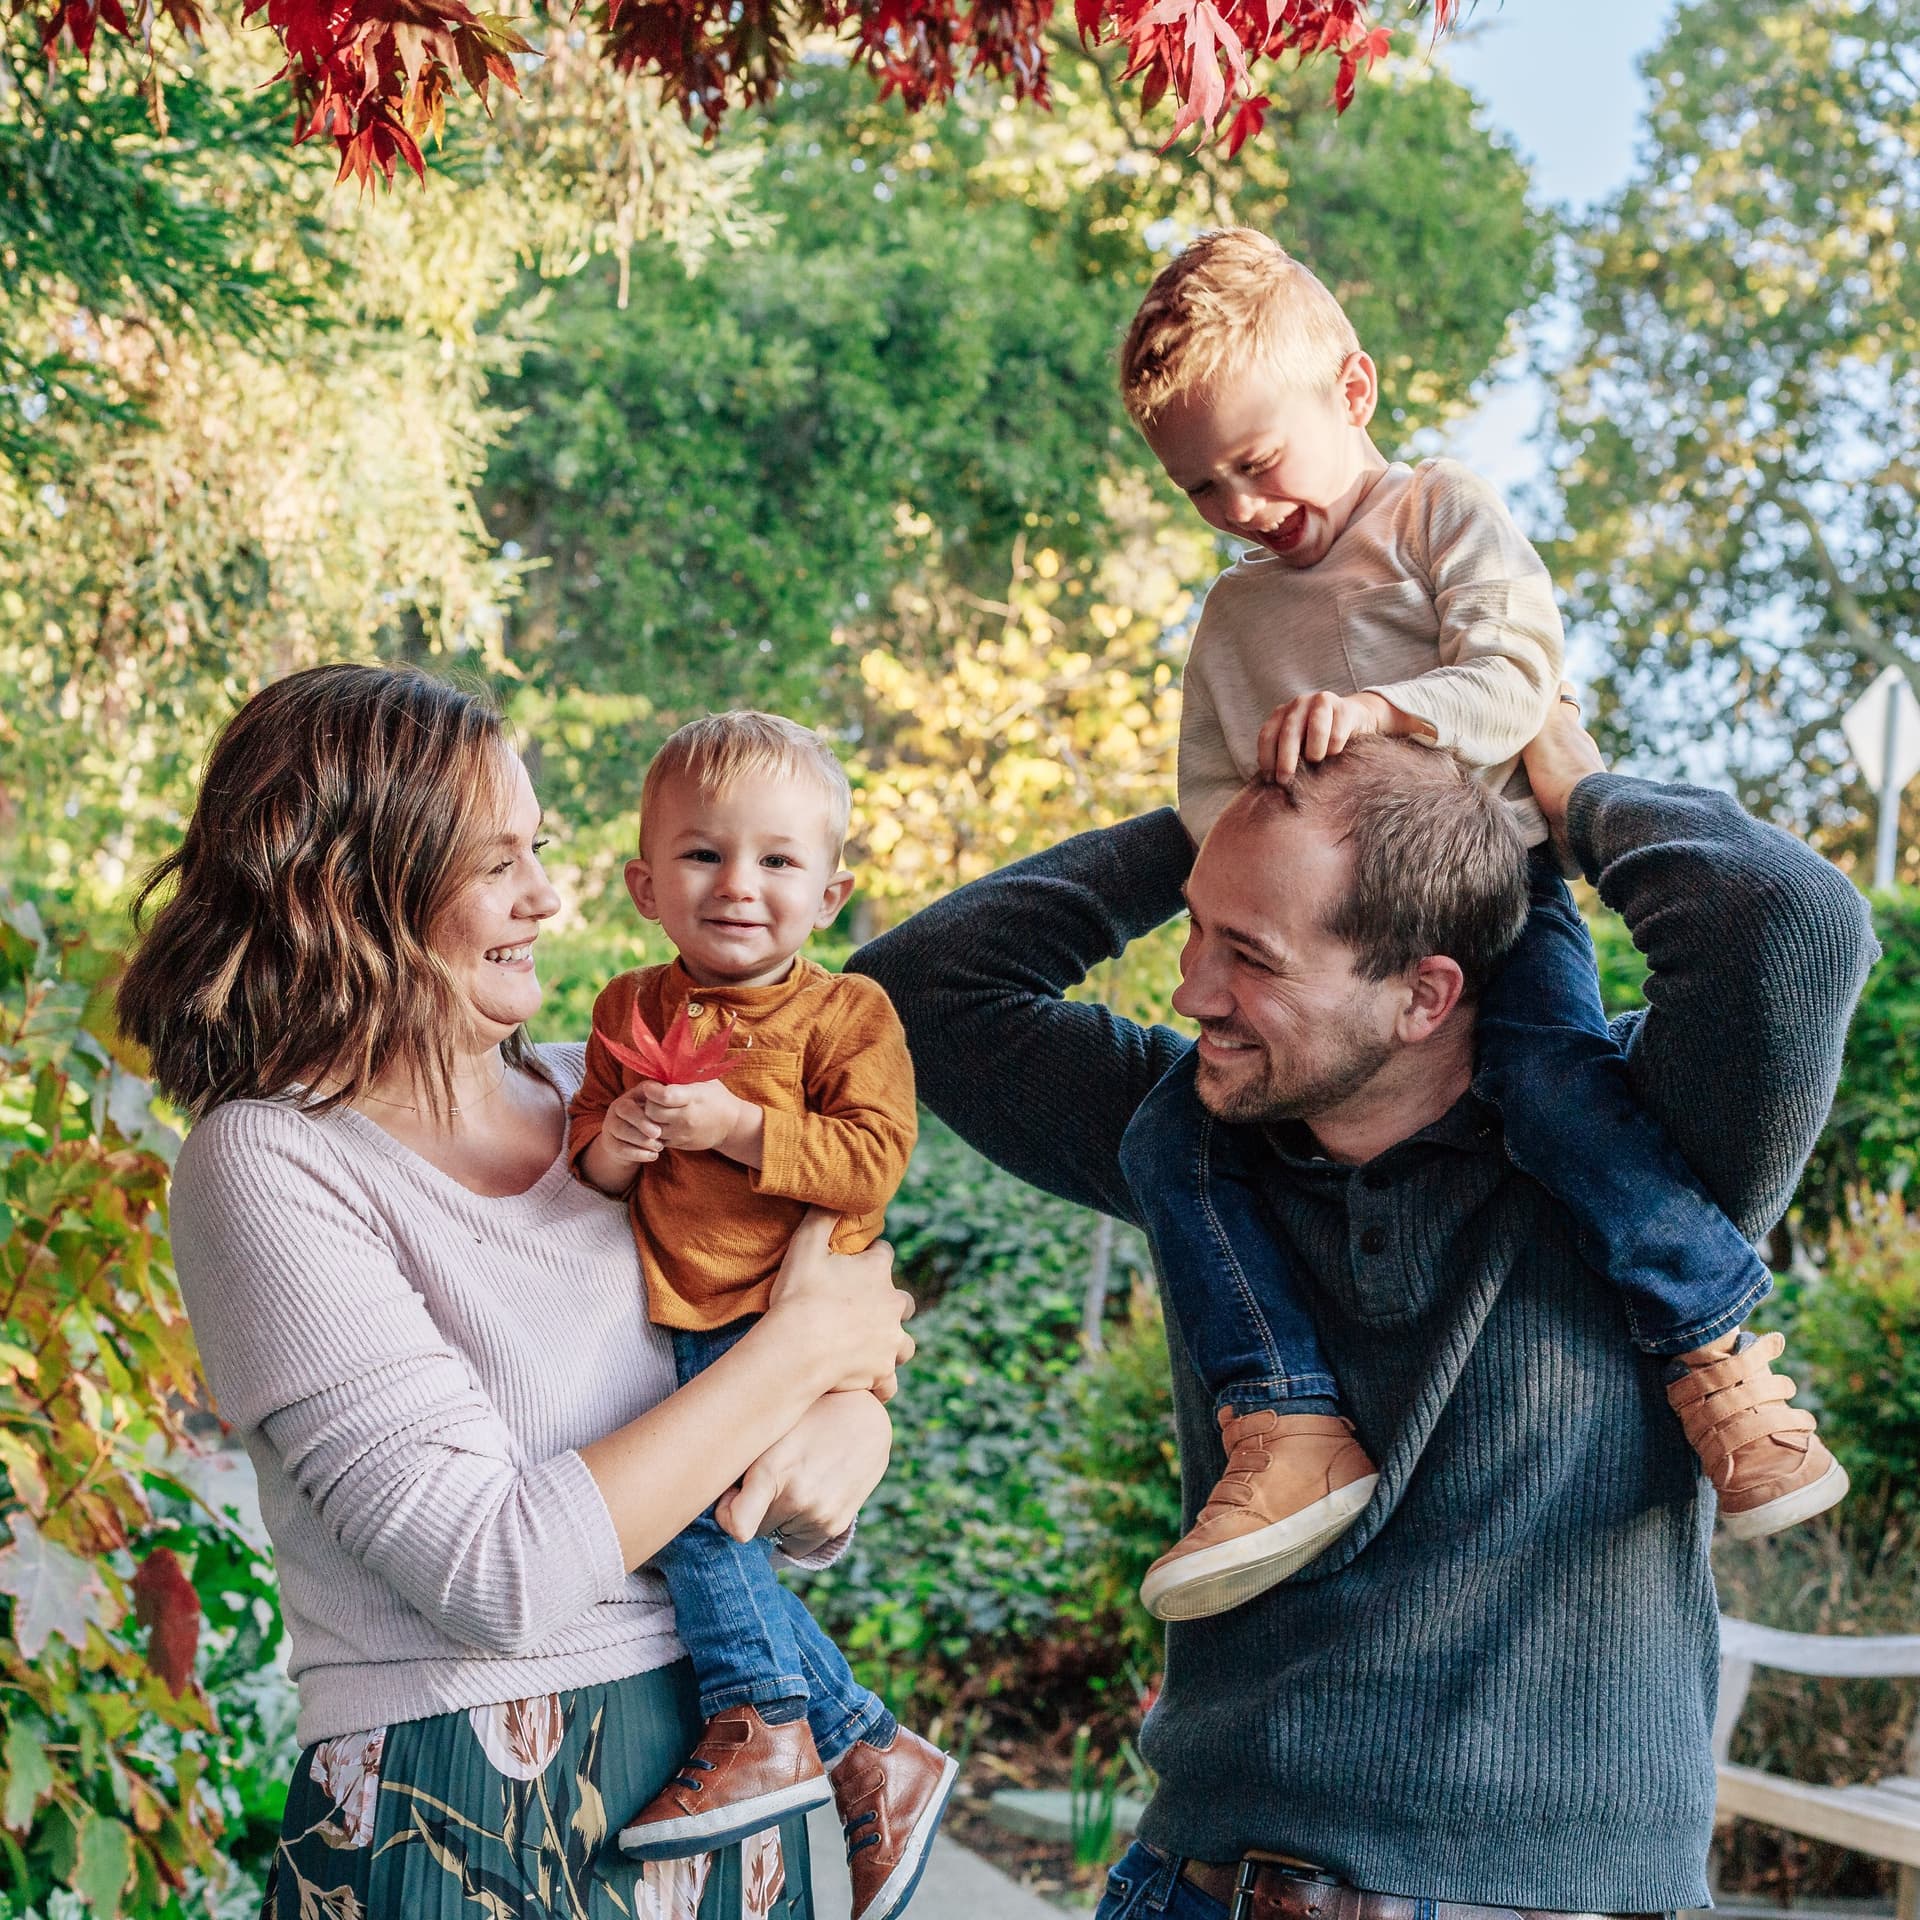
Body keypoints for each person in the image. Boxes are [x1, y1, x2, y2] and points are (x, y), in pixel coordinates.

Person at [848, 703, 1878, 1917]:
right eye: (1198, 929)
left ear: (1423, 994)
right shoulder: (1194, 1146)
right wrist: (1216, 813)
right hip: (1198, 1887)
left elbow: (1795, 923)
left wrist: (1572, 792)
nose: (1191, 988)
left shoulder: (1658, 1140)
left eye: (1253, 955)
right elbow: (920, 988)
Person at [1110, 227, 1841, 1623]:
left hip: (1497, 891)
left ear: (1355, 388)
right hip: (1333, 949)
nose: (1240, 505)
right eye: (1200, 486)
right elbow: (1209, 793)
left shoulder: (1440, 515)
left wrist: (1385, 718)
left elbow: (1520, 680)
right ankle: (1283, 1417)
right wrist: (1269, 838)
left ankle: (1713, 1347)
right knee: (1171, 1135)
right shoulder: (1232, 617)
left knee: (1552, 1084)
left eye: (1258, 461)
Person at [116, 664, 918, 1920]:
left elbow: (825, 1353)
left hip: (720, 1784)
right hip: (457, 1807)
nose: (549, 897)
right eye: (500, 863)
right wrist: (807, 1353)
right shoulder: (275, 1161)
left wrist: (853, 1411)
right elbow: (495, 1576)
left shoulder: (606, 1101)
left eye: (539, 849)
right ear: (349, 887)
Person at [569, 711, 955, 1918]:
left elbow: (871, 1165)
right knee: (705, 1545)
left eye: (778, 862)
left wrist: (736, 1126)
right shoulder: (629, 1004)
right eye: (701, 855)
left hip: (777, 1313)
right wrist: (620, 1146)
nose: (738, 886)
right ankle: (871, 1747)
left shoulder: (848, 1017)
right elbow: (585, 1161)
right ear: (644, 883)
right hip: (680, 1319)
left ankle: (767, 1720)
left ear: (831, 890)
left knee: (693, 1527)